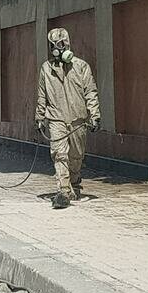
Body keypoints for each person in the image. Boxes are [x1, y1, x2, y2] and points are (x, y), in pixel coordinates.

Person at [35, 28, 101, 209]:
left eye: (60, 44)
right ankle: (63, 191)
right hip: (56, 119)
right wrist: (39, 116)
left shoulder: (81, 67)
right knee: (60, 154)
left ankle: (75, 183)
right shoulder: (46, 69)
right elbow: (42, 95)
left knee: (76, 156)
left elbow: (91, 92)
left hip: (78, 119)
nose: (57, 48)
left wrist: (94, 115)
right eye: (53, 45)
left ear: (67, 44)